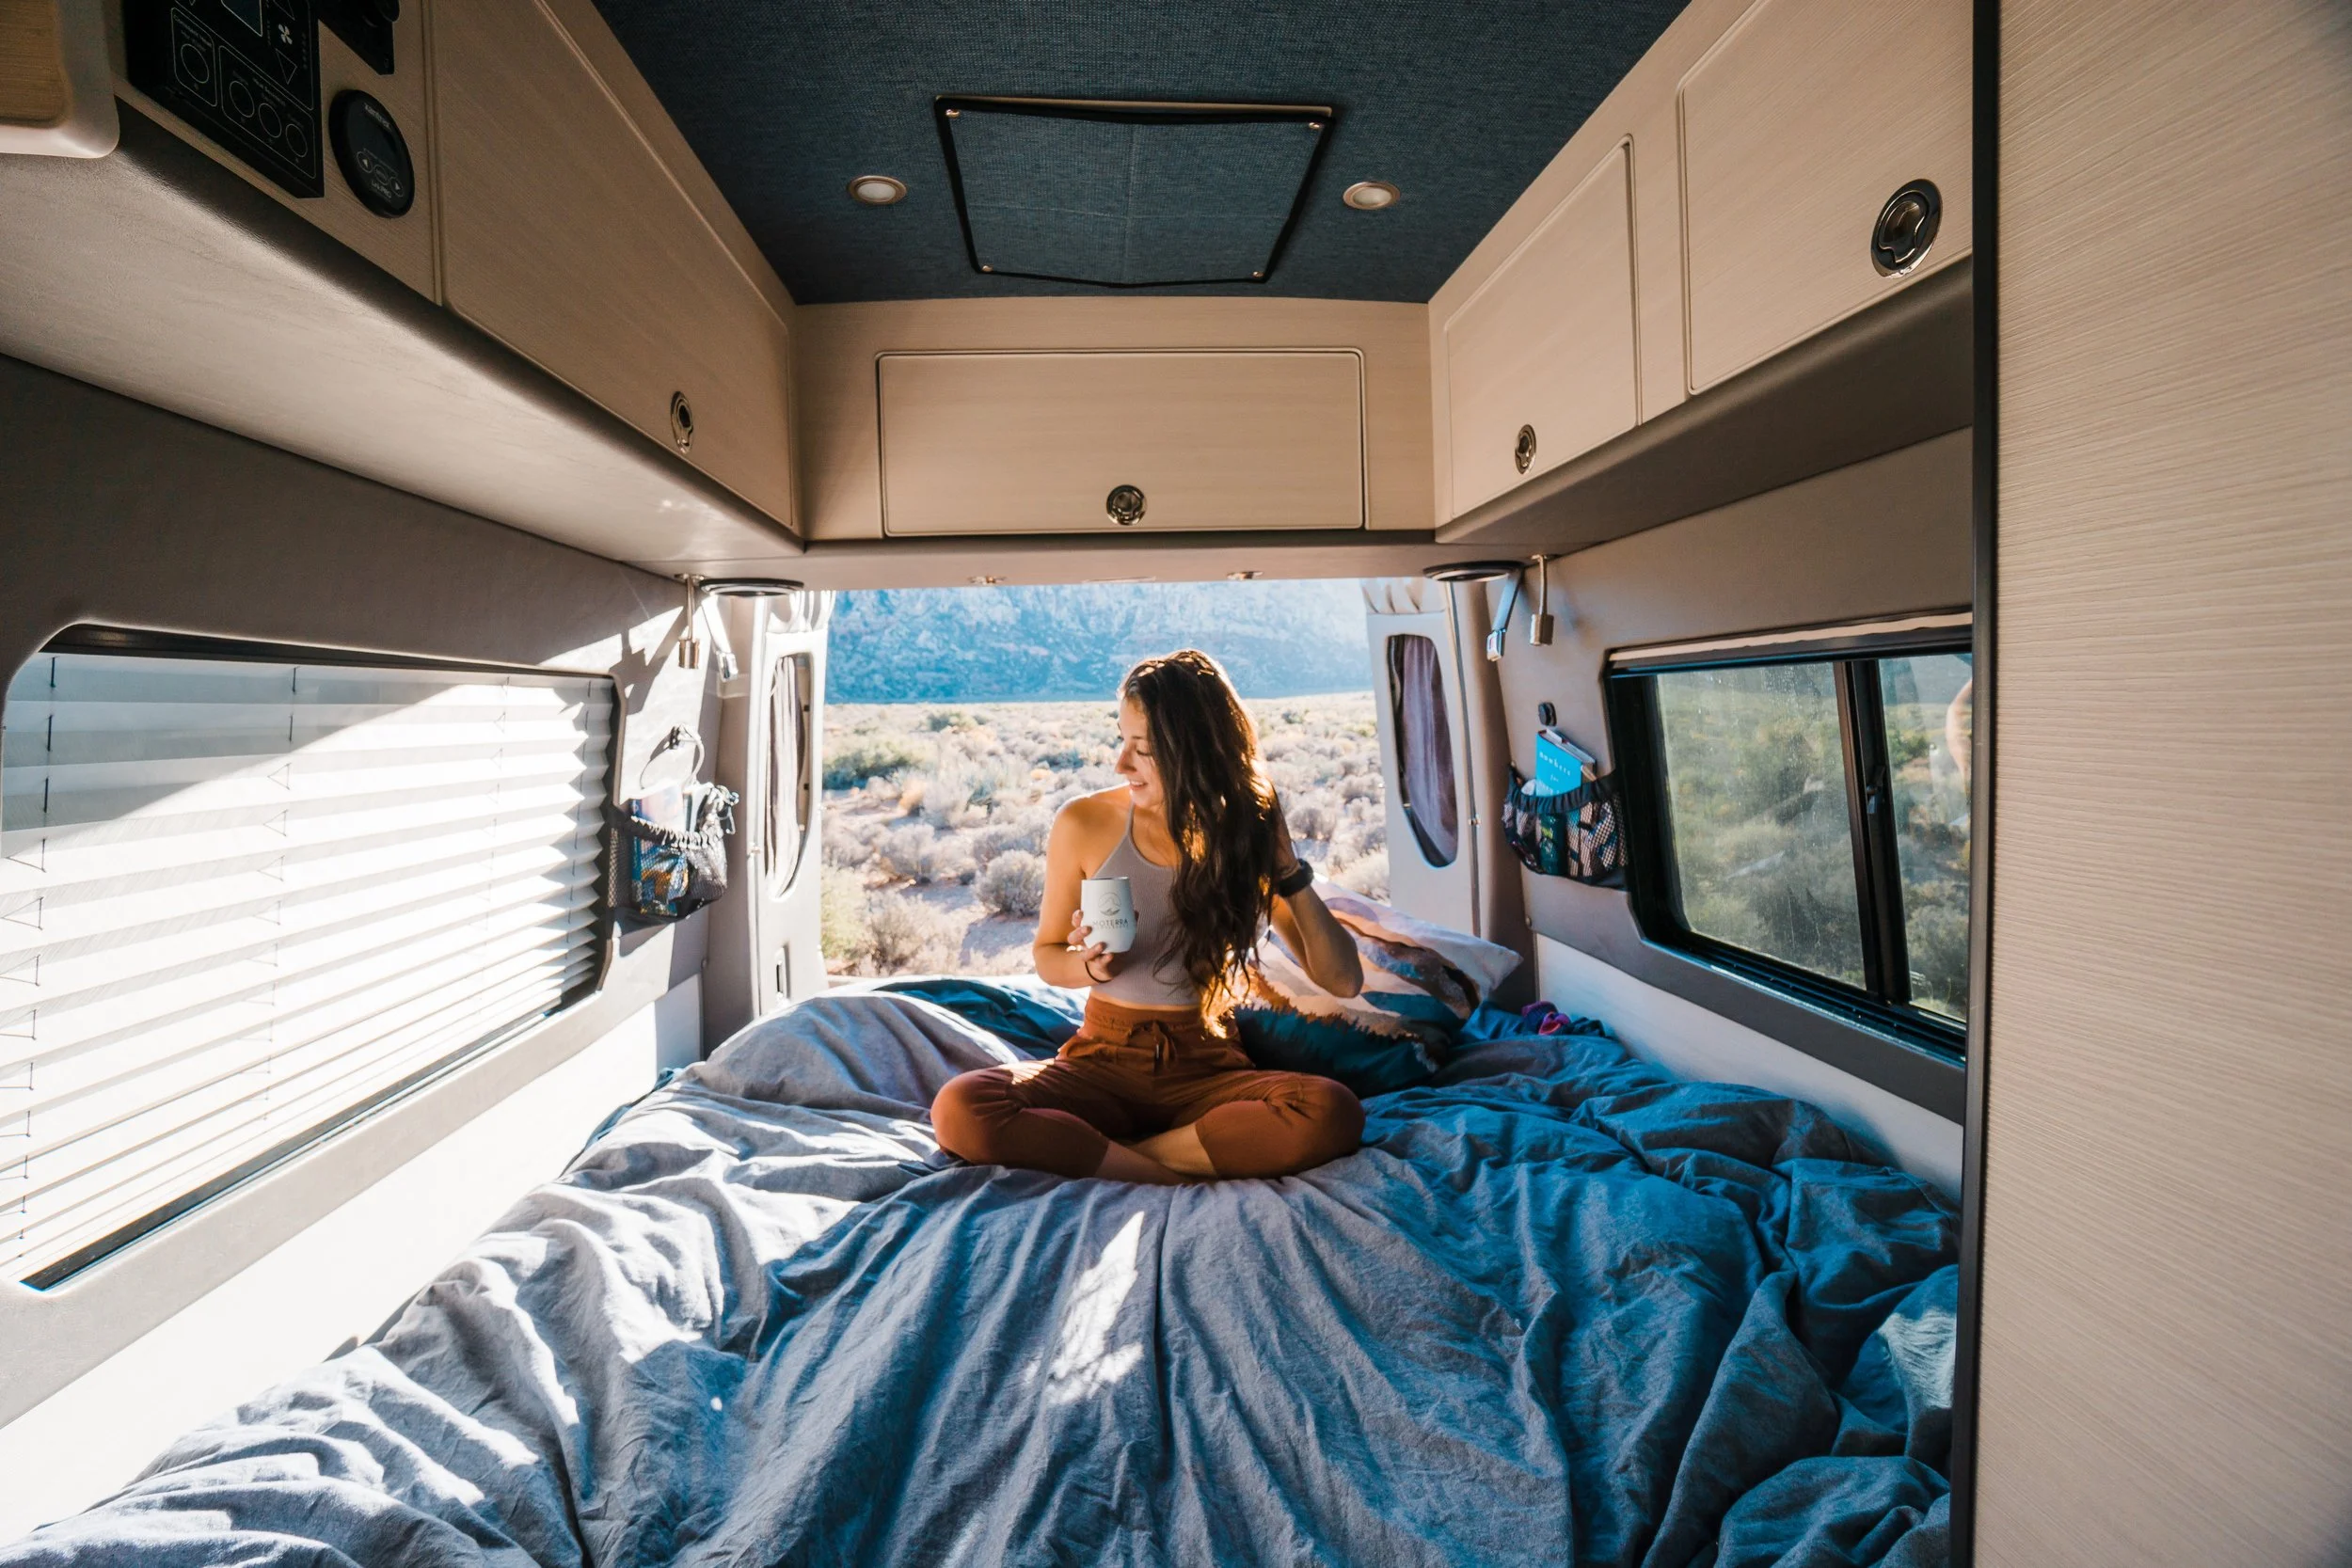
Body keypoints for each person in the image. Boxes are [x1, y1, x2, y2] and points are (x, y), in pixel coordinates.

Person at [930, 651, 1367, 1184]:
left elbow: (1343, 979)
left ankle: (1114, 1156)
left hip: (1207, 1068)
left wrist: (1286, 867)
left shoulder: (1242, 834)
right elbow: (1048, 955)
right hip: (1102, 1061)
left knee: (1332, 1111)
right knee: (962, 1107)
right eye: (1122, 740)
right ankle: (1175, 1164)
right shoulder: (1085, 822)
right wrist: (1089, 967)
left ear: (1199, 754)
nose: (1121, 763)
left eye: (1145, 750)